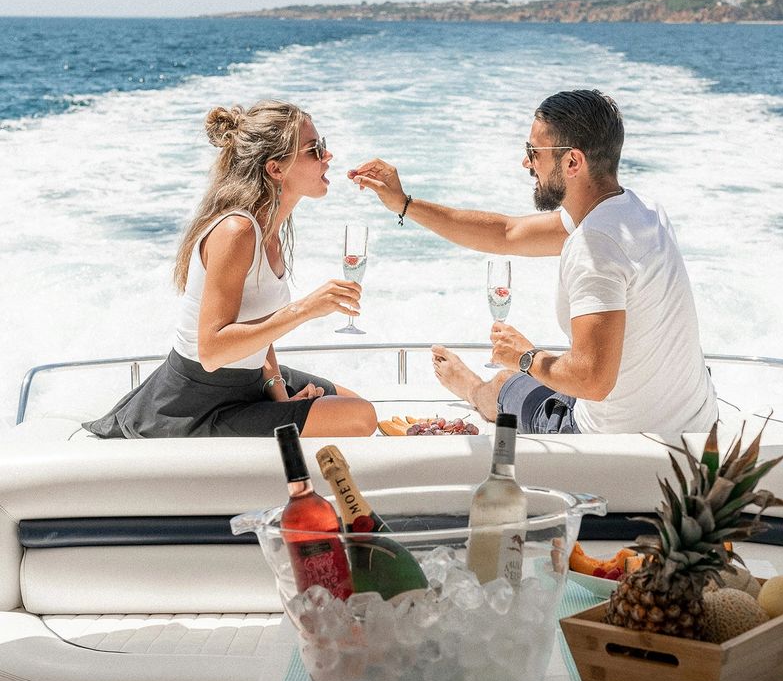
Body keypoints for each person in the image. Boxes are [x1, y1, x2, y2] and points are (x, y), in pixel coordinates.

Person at [350, 89, 717, 438]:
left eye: (533, 151)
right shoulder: (640, 212)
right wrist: (404, 203)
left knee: (505, 383)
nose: (526, 162)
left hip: (612, 439)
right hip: (697, 426)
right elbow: (507, 233)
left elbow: (593, 381)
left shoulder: (594, 246)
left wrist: (524, 357)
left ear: (572, 161)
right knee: (547, 369)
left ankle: (473, 389)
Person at [84, 100, 377, 439]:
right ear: (275, 169)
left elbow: (258, 322)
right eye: (315, 150)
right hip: (199, 405)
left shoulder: (271, 233)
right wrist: (305, 310)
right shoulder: (236, 231)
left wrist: (279, 396)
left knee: (353, 403)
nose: (328, 156)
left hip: (249, 383)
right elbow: (212, 351)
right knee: (360, 417)